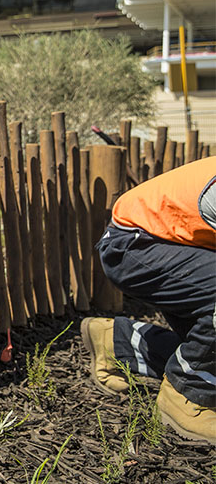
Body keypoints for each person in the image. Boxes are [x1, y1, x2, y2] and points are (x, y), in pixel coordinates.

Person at [81, 155, 215, 444]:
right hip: (135, 245)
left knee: (206, 352)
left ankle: (116, 342)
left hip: (177, 246)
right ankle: (186, 395)